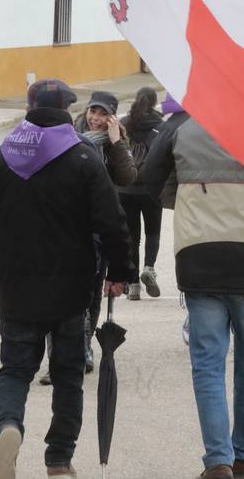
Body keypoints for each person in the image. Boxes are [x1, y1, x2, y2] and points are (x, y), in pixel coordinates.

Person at [0, 79, 130, 478]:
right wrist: (121, 272)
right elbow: (113, 221)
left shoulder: (3, 157)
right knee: (68, 373)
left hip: (17, 289)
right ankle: (58, 459)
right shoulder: (83, 157)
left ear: (30, 107)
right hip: (71, 290)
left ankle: (9, 427)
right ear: (66, 110)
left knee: (15, 370)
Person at [140, 111, 244, 479]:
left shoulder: (181, 124)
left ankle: (218, 460)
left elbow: (146, 183)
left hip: (201, 255)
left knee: (207, 365)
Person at [74, 90, 137, 372]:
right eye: (93, 112)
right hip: (71, 224)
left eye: (103, 114)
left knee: (93, 293)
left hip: (100, 229)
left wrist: (115, 143)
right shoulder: (69, 134)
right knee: (68, 292)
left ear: (112, 117)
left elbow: (127, 177)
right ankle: (65, 351)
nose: (96, 119)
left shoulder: (117, 142)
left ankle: (84, 345)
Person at [120, 86, 165, 301]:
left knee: (131, 236)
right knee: (152, 232)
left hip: (125, 187)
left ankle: (134, 284)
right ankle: (149, 267)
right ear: (155, 102)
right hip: (151, 187)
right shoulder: (160, 125)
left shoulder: (124, 124)